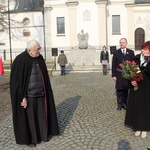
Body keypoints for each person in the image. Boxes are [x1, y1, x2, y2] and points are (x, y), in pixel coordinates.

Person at [10, 40, 60, 147]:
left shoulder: (40, 58)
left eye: (39, 48)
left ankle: (43, 135)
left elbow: (45, 78)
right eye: (36, 49)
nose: (38, 51)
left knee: (42, 116)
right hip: (29, 96)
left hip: (41, 94)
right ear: (29, 50)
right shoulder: (20, 60)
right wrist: (22, 97)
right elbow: (17, 82)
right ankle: (32, 139)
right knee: (31, 119)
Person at [125, 41, 150, 138]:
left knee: (145, 108)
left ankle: (145, 128)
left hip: (147, 87)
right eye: (143, 48)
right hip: (137, 86)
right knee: (137, 106)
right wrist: (131, 80)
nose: (143, 51)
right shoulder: (136, 58)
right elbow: (129, 70)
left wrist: (147, 62)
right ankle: (137, 126)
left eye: (146, 49)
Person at [112, 38, 135, 110]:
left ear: (126, 43)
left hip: (127, 75)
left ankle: (125, 104)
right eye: (120, 42)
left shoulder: (131, 52)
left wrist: (133, 74)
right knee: (119, 90)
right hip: (119, 74)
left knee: (126, 90)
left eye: (123, 42)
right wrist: (114, 75)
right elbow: (113, 64)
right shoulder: (116, 52)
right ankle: (119, 105)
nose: (122, 44)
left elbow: (133, 64)